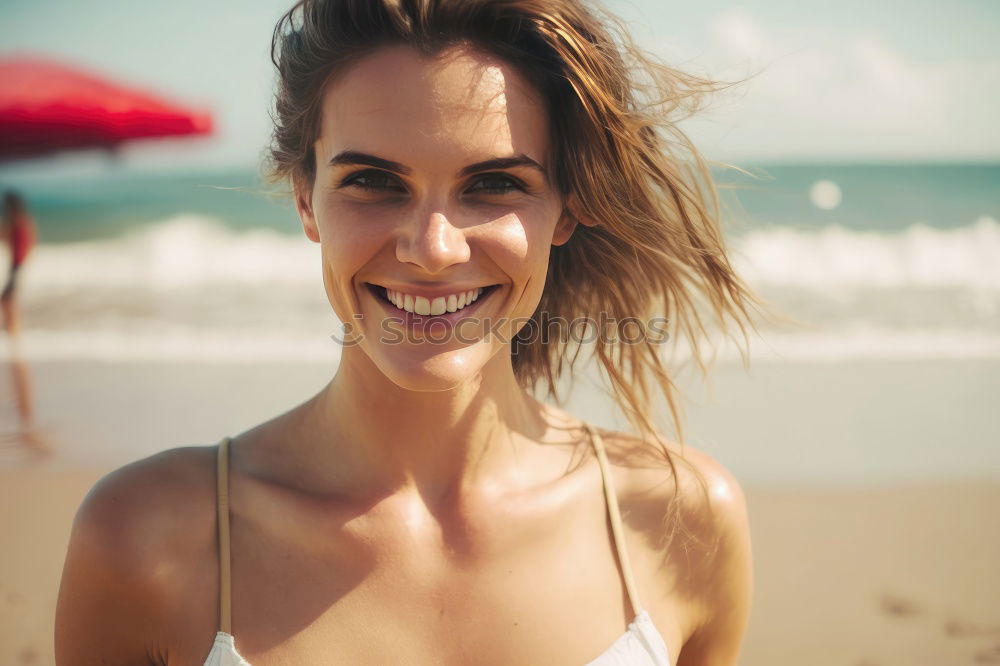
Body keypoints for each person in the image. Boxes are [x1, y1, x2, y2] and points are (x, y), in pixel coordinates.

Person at [54, 0, 762, 663]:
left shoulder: (678, 524)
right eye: (373, 181)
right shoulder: (151, 538)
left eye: (494, 184)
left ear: (567, 206)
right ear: (306, 200)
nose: (432, 249)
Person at [1, 189, 37, 339]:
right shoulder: (24, 221)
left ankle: (13, 329)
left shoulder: (18, 222)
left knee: (8, 299)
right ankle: (12, 327)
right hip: (18, 264)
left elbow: (9, 239)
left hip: (16, 264)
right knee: (8, 298)